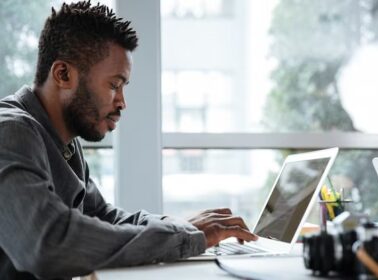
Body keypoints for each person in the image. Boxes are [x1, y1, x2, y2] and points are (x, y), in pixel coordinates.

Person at [0, 1, 257, 279]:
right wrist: (183, 239)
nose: (122, 102)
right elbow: (48, 244)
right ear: (63, 74)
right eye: (113, 85)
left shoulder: (65, 143)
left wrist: (181, 226)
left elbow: (104, 217)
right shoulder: (10, 132)